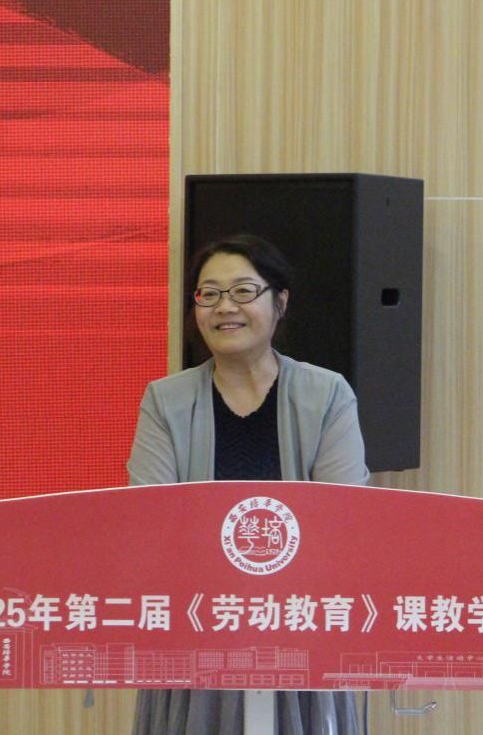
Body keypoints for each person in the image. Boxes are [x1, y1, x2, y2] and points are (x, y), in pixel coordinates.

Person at [127, 234, 368, 735]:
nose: (224, 307)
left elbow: (344, 520)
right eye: (209, 294)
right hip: (197, 628)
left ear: (280, 302)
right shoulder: (165, 401)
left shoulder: (327, 394)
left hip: (300, 627)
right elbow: (150, 520)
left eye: (243, 291)